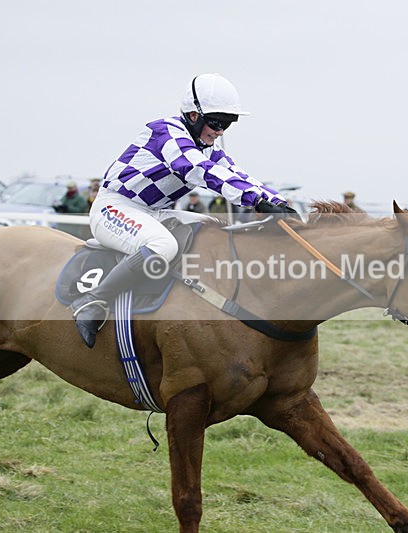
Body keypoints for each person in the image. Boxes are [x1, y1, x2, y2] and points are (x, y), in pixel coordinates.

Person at [70, 73, 296, 347]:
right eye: (216, 123)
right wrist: (253, 200)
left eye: (228, 124)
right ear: (192, 115)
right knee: (163, 245)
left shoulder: (207, 147)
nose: (220, 131)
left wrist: (279, 202)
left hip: (152, 211)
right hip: (113, 207)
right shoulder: (165, 131)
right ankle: (93, 301)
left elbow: (237, 174)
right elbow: (194, 168)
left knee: (212, 226)